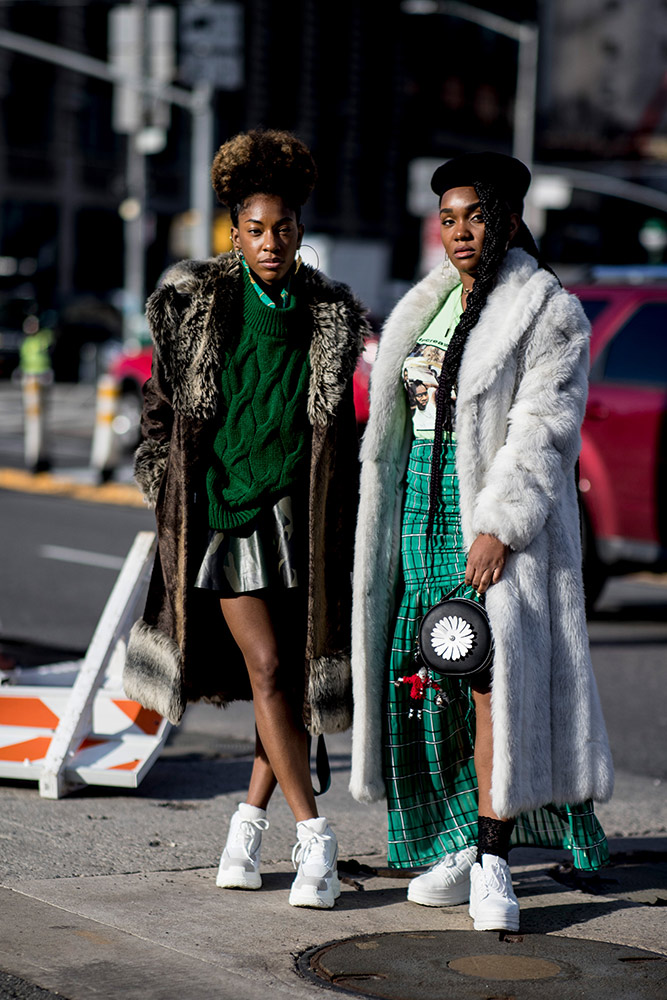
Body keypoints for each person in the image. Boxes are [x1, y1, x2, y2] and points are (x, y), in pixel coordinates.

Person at [349, 151, 613, 932]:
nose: (459, 231)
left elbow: (542, 428)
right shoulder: (425, 304)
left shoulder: (547, 311)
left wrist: (500, 524)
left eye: (473, 215)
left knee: (489, 678)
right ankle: (459, 839)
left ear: (503, 218)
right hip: (417, 510)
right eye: (448, 218)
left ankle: (495, 862)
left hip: (496, 517)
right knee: (428, 678)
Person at [123, 129, 368, 910]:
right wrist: (164, 485)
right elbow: (158, 411)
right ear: (236, 232)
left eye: (283, 227)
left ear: (300, 230)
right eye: (255, 230)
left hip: (303, 521)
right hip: (226, 518)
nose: (270, 241)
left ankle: (245, 825)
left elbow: (342, 433)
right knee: (266, 668)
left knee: (293, 680)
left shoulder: (329, 314)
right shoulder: (193, 304)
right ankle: (315, 841)